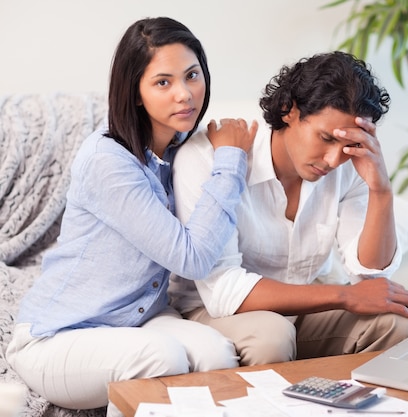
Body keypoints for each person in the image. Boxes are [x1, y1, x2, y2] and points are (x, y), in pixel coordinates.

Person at [6, 17, 257, 415]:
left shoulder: (178, 148)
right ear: (136, 92)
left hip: (137, 319)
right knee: (163, 358)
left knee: (218, 356)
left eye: (192, 75)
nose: (184, 95)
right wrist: (231, 159)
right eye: (163, 82)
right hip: (59, 336)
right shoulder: (108, 161)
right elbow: (191, 259)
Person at [169, 51, 408, 366]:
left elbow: (370, 272)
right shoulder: (212, 156)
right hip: (217, 311)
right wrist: (343, 296)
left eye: (346, 146)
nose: (333, 160)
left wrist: (380, 190)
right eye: (325, 138)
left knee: (399, 321)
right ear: (289, 110)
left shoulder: (349, 165)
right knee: (271, 337)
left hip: (302, 308)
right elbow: (224, 290)